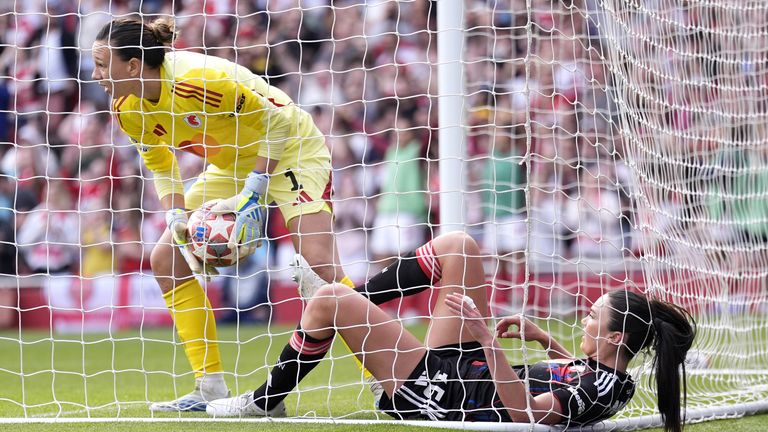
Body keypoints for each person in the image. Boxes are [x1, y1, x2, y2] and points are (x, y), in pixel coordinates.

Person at [91, 17, 357, 412]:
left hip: (290, 149)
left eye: (101, 63)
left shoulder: (196, 80)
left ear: (132, 65)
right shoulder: (126, 108)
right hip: (231, 163)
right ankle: (209, 387)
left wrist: (255, 191)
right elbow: (163, 165)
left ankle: (384, 380)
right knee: (166, 257)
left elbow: (279, 118)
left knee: (320, 266)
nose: (94, 74)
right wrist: (176, 214)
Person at [207, 232, 696, 432]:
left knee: (329, 303)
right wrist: (546, 341)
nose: (584, 319)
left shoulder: (598, 385)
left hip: (444, 392)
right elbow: (583, 380)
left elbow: (525, 412)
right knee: (459, 245)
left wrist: (487, 338)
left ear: (614, 338)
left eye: (593, 316)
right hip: (467, 368)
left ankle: (267, 398)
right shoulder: (616, 378)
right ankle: (351, 301)